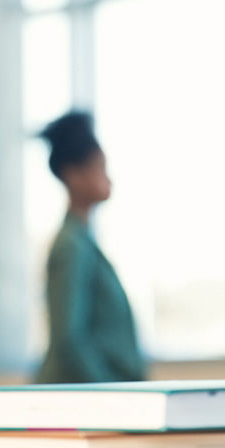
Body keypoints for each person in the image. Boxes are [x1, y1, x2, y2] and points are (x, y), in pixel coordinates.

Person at [35, 110, 146, 384]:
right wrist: (116, 396)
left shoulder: (83, 244)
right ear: (73, 175)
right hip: (81, 406)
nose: (109, 179)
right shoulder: (71, 247)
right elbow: (69, 340)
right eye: (100, 168)